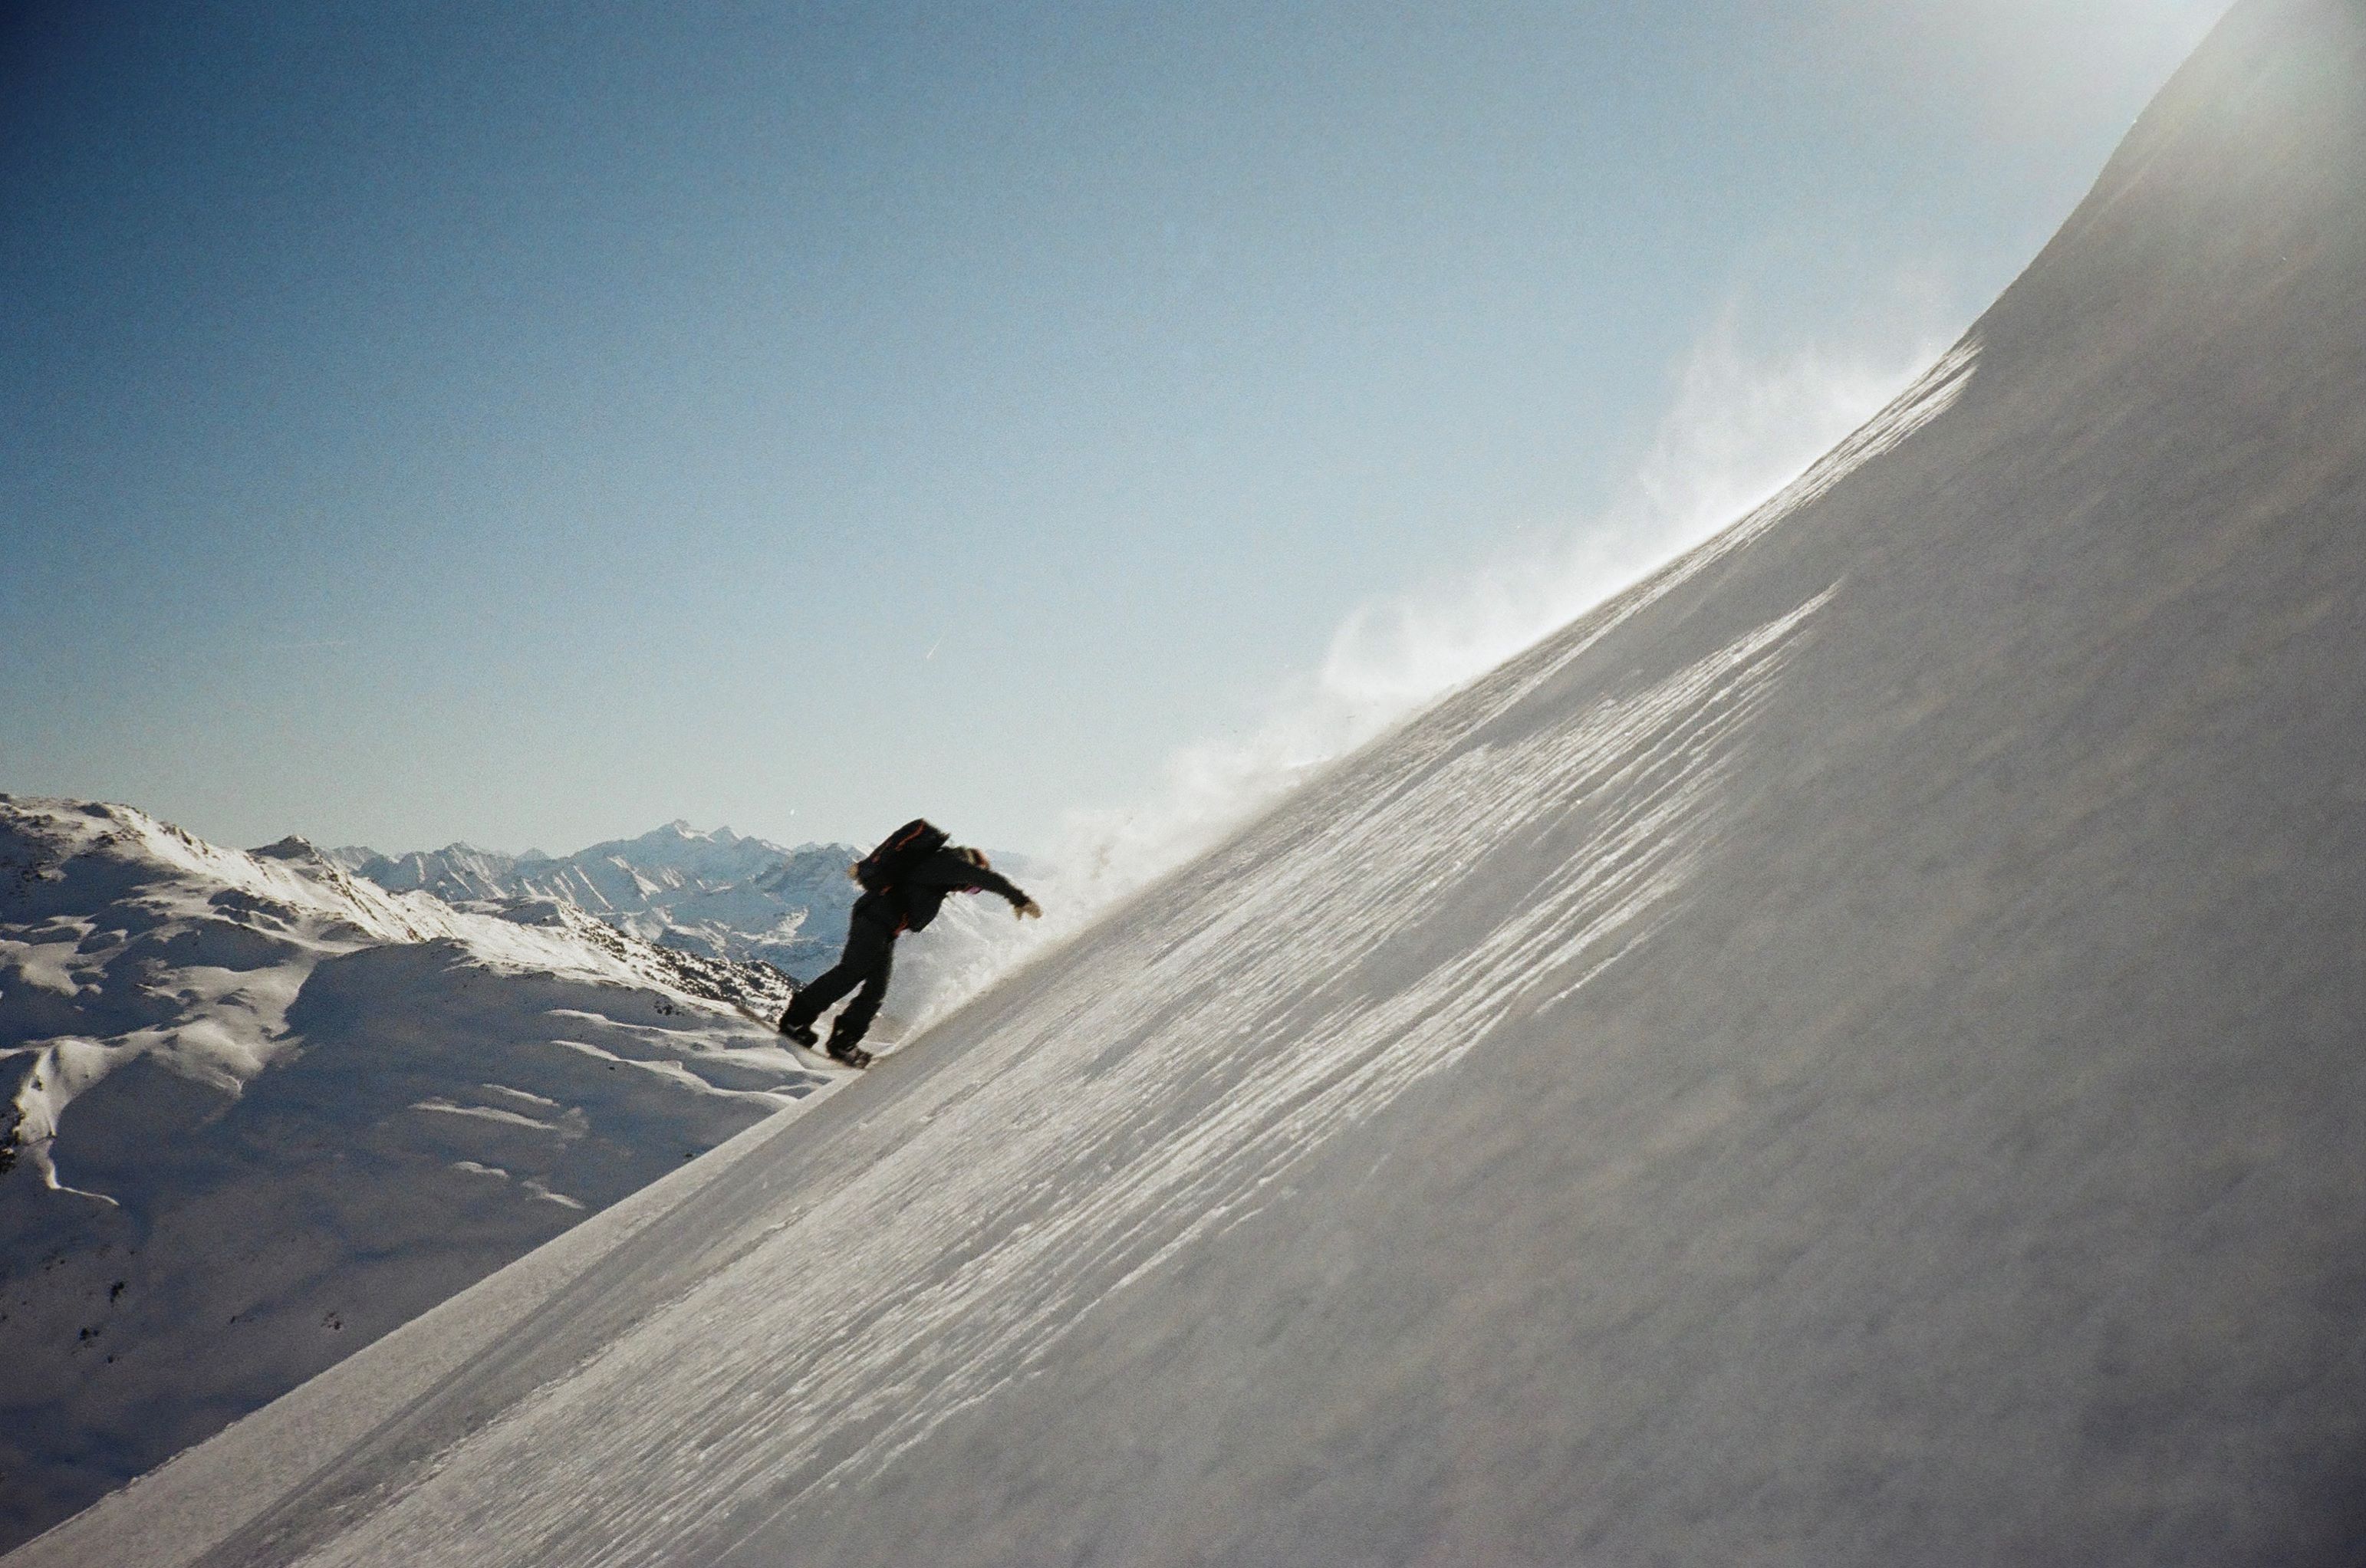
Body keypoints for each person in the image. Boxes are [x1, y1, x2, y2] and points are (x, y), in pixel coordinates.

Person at [778, 837, 1040, 1066]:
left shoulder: (941, 869)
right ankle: (796, 1019)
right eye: (971, 887)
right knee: (851, 972)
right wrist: (1018, 898)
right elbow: (987, 878)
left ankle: (844, 1042)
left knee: (876, 988)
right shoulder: (950, 864)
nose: (967, 891)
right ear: (970, 867)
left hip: (883, 925)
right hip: (875, 920)